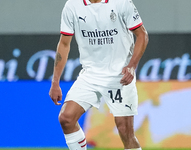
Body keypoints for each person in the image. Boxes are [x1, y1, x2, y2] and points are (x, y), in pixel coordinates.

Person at [49, 0, 148, 149]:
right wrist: (55, 82)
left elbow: (142, 35)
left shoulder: (121, 3)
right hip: (90, 75)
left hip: (119, 76)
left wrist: (132, 66)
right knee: (66, 118)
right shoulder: (72, 5)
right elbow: (64, 44)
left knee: (125, 131)